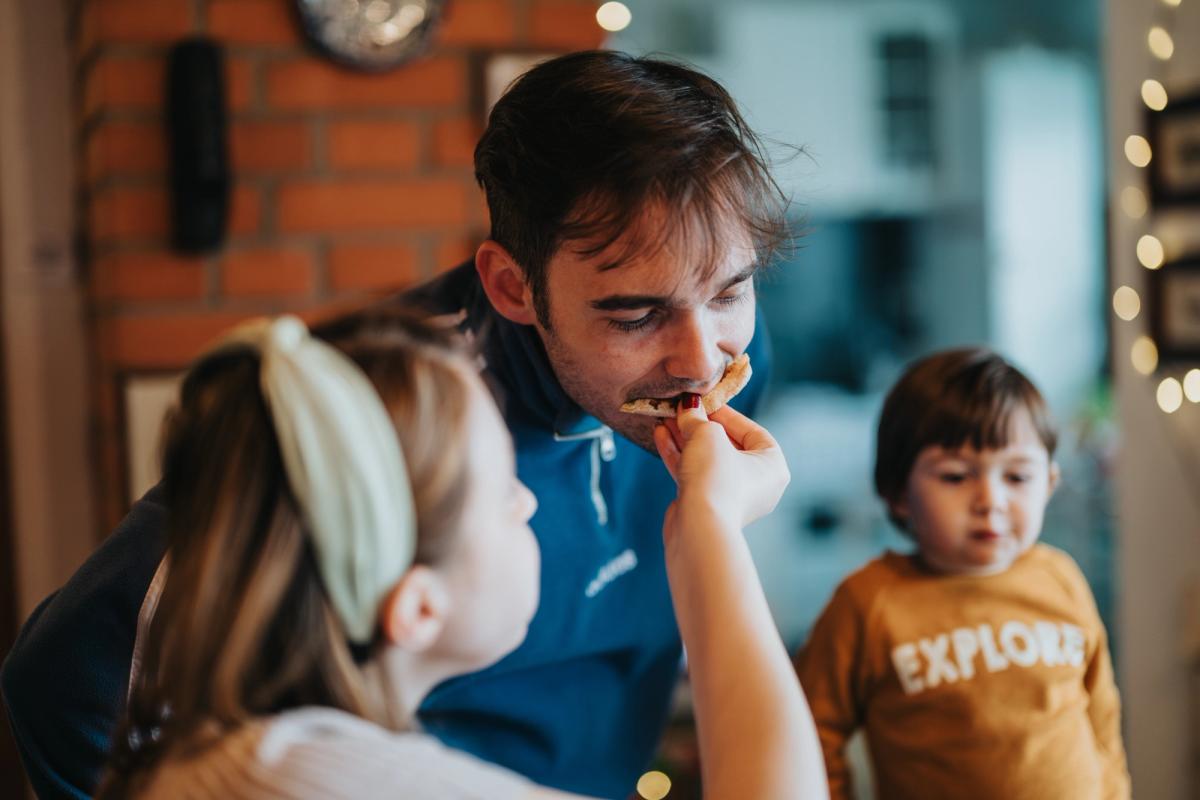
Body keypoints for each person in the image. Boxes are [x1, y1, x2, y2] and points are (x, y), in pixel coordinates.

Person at [2, 51, 786, 799]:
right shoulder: (394, 408)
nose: (698, 361)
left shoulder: (722, 365)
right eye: (636, 314)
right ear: (514, 286)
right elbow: (65, 677)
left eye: (729, 292)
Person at [93, 310, 826, 799]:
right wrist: (710, 528)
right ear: (415, 606)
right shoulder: (328, 781)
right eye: (502, 487)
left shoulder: (228, 756)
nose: (529, 502)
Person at [794, 348, 1131, 799]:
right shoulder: (869, 602)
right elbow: (811, 733)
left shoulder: (1061, 579)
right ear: (897, 493)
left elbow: (1102, 715)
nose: (990, 500)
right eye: (955, 476)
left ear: (1048, 485)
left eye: (1016, 477)